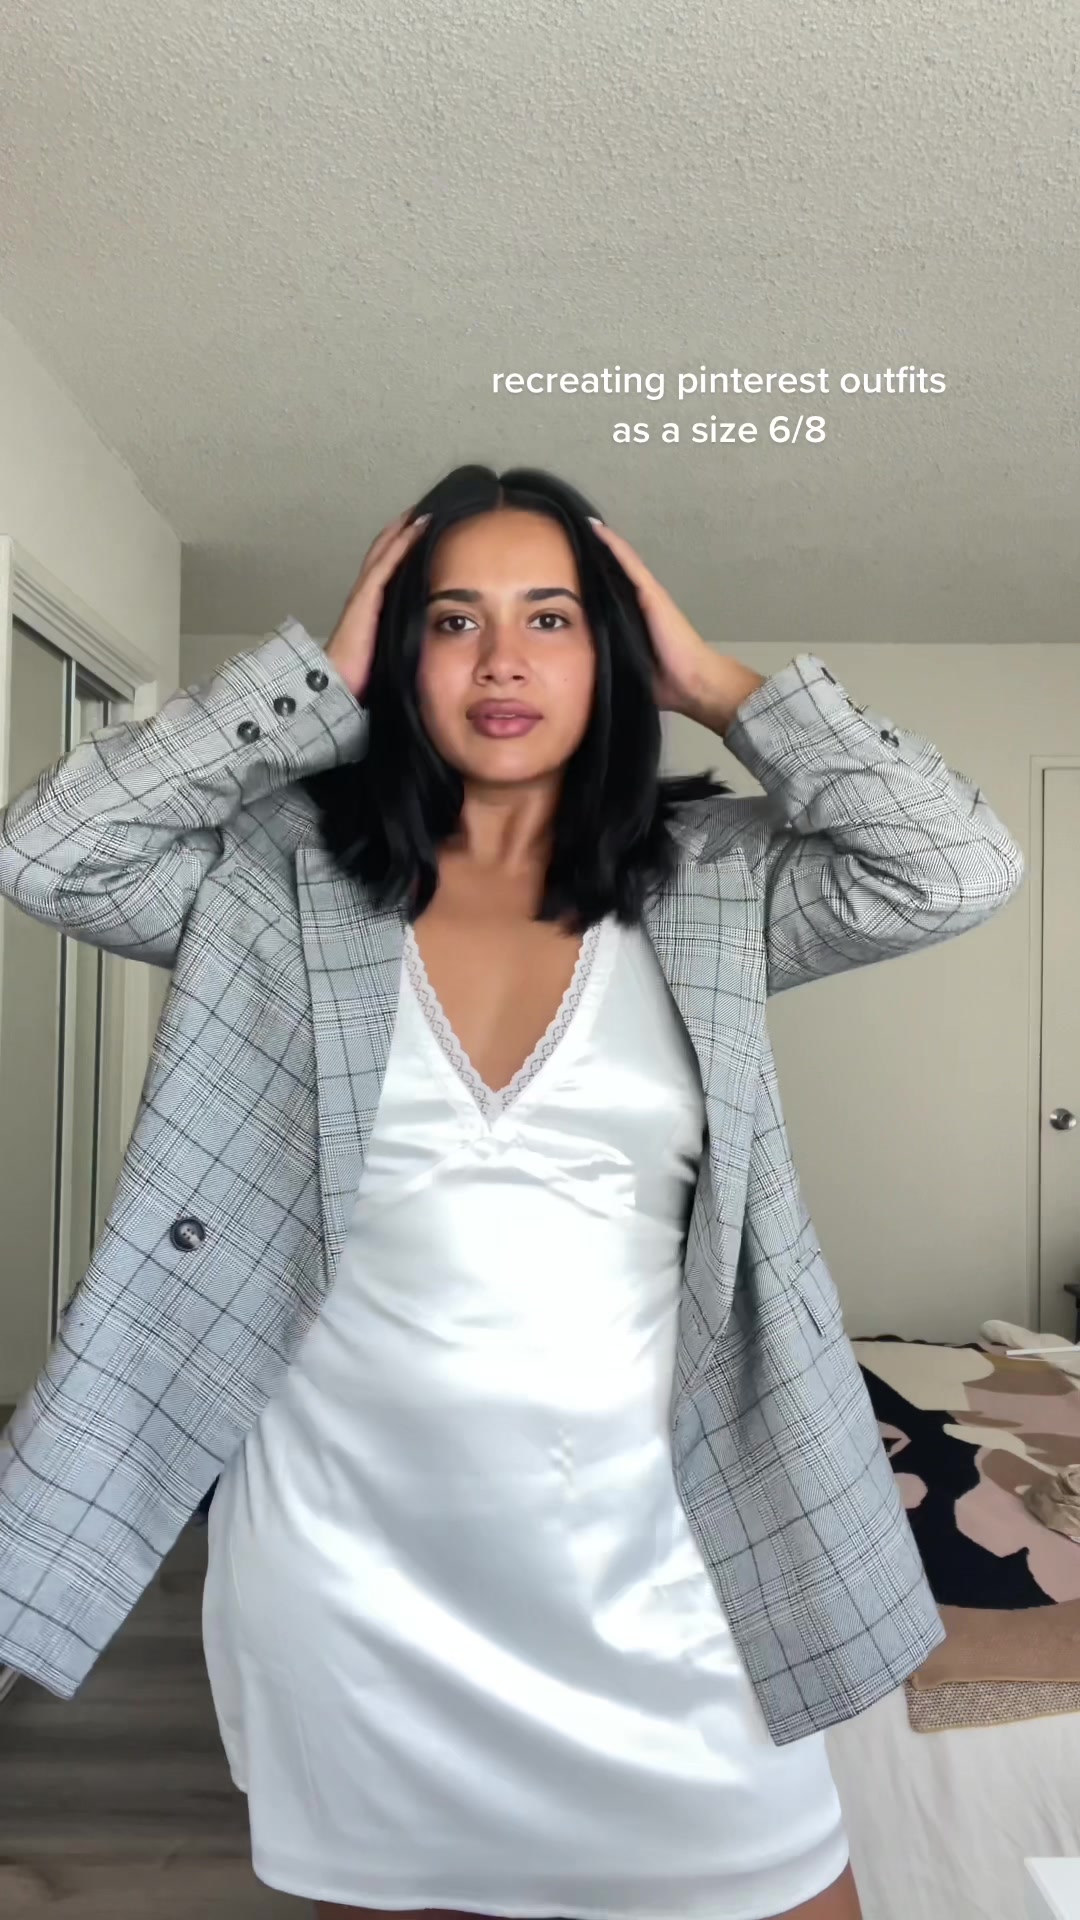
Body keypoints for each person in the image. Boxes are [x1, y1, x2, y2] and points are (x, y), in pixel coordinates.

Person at [0, 465, 1025, 1920]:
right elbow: (44, 851)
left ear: (614, 652)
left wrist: (721, 687)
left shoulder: (715, 885)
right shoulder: (266, 888)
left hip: (664, 1553)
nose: (500, 660)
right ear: (395, 652)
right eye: (451, 620)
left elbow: (958, 867)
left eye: (551, 618)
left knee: (792, 1883)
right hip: (348, 1569)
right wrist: (310, 682)